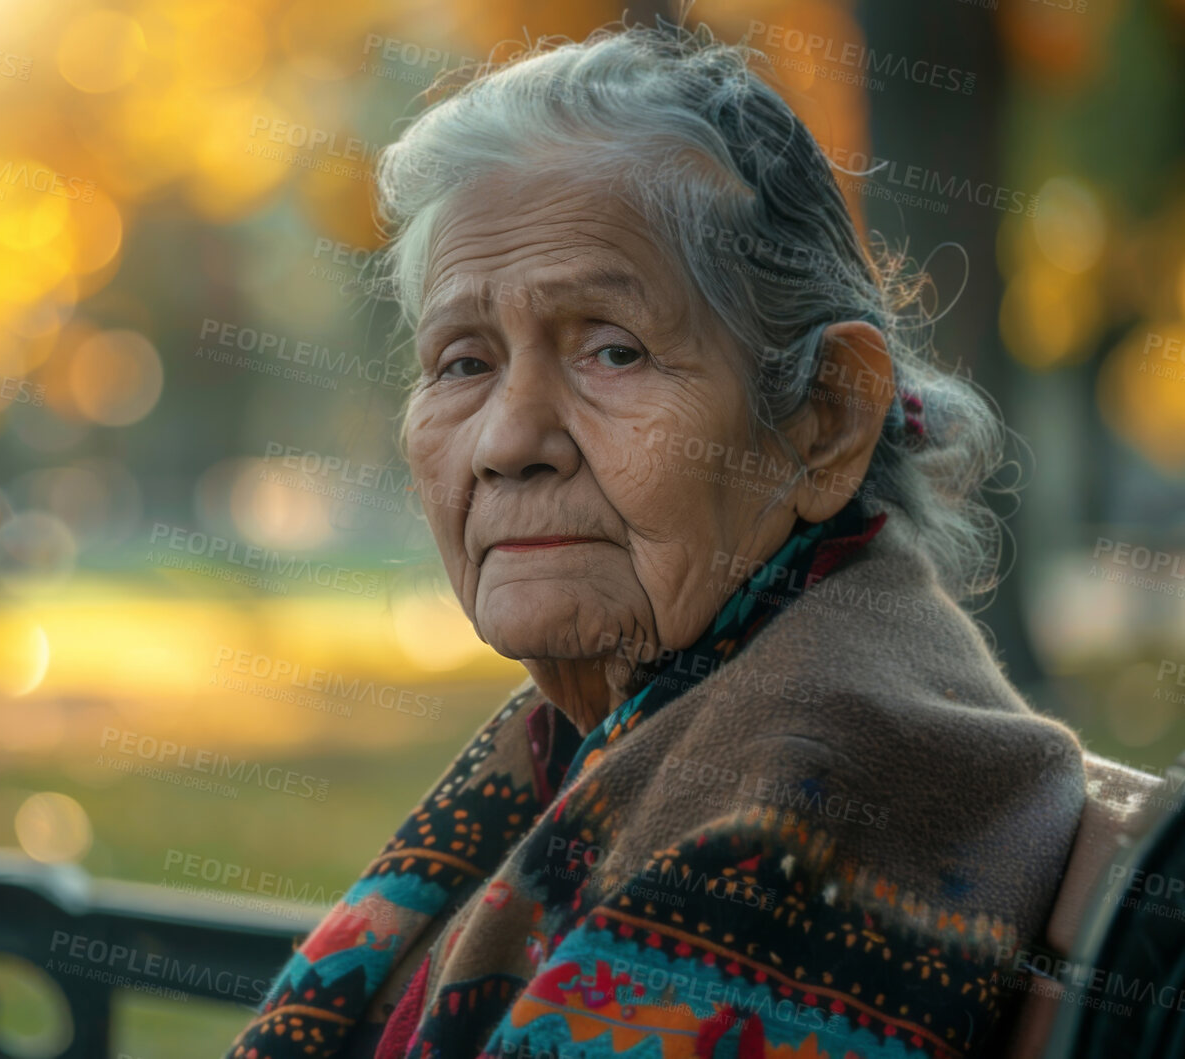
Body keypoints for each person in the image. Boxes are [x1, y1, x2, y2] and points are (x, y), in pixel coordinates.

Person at [229, 22, 1084, 1059]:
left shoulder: (809, 793)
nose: (506, 441)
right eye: (460, 362)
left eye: (611, 350)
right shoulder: (678, 705)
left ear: (822, 419)